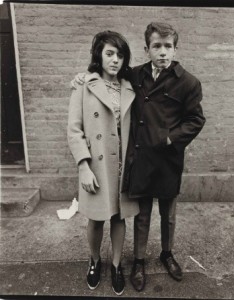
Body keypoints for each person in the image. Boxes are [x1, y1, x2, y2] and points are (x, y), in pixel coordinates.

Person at [71, 22, 205, 292]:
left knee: (168, 214)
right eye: (157, 46)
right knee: (140, 214)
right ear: (147, 49)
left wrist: (171, 138)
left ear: (175, 49)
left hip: (168, 158)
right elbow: (103, 79)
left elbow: (196, 119)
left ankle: (167, 254)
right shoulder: (135, 75)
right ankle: (139, 261)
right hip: (140, 158)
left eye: (168, 46)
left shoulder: (187, 82)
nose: (163, 52)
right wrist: (82, 76)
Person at [67, 30, 139, 296]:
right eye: (109, 53)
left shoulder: (130, 86)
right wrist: (83, 167)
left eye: (120, 55)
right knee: (97, 219)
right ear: (98, 54)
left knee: (120, 217)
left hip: (123, 165)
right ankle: (95, 261)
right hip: (96, 165)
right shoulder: (84, 86)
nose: (115, 60)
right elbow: (74, 130)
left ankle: (117, 265)